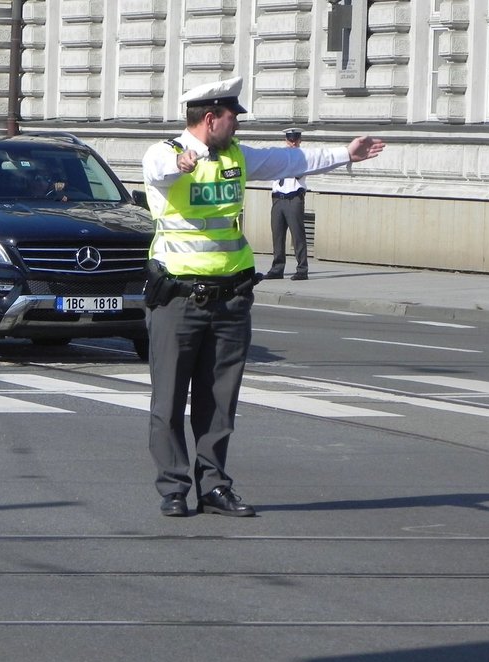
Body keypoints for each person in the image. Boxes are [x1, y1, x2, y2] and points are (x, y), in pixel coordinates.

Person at [141, 76, 384, 518]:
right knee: (169, 399)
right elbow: (159, 167)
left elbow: (290, 159)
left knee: (220, 401)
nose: (238, 124)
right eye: (233, 117)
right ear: (211, 118)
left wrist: (345, 155)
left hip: (230, 299)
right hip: (178, 300)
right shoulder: (166, 151)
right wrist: (182, 164)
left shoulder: (237, 156)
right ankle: (174, 488)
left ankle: (214, 487)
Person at [264, 128, 309, 281]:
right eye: (290, 140)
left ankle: (302, 269)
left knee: (297, 235)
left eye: (295, 140)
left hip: (294, 198)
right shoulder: (279, 156)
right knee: (277, 235)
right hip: (278, 198)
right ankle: (277, 268)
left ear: (300, 140)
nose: (293, 143)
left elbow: (298, 173)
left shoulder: (303, 157)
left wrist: (291, 158)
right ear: (286, 140)